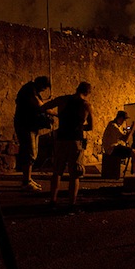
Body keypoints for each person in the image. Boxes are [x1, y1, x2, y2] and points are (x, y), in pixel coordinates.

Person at [41, 82, 93, 210]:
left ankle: (53, 199)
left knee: (57, 172)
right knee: (74, 174)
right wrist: (79, 126)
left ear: (77, 88)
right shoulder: (86, 105)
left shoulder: (63, 100)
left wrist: (58, 115)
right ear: (87, 93)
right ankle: (71, 203)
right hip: (75, 140)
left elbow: (44, 107)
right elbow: (91, 126)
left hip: (61, 139)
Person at [14, 76, 52, 192]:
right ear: (40, 84)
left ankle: (28, 179)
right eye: (43, 88)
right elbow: (39, 105)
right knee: (29, 153)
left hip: (31, 125)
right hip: (26, 125)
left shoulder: (32, 90)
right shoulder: (29, 90)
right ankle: (26, 182)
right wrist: (56, 113)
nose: (43, 91)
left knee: (32, 153)